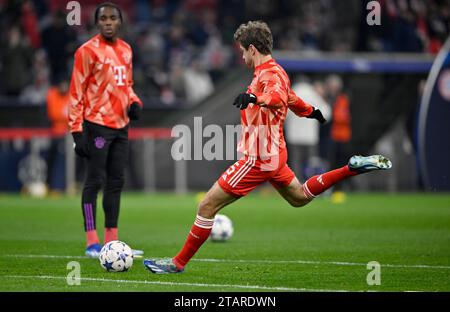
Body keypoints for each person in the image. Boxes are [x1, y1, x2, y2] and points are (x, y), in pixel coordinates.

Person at [144, 21, 392, 274]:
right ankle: (352, 168)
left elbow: (275, 98)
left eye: (242, 51)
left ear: (252, 49)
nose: (242, 56)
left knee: (206, 206)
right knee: (300, 197)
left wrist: (254, 98)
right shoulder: (278, 72)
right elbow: (291, 99)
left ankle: (177, 263)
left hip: (259, 158)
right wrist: (312, 112)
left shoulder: (269, 74)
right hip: (274, 154)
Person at [68, 2, 143, 258]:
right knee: (94, 181)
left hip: (121, 127)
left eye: (113, 18)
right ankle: (92, 241)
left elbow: (128, 84)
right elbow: (76, 93)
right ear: (97, 22)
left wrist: (134, 102)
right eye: (104, 18)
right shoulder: (86, 51)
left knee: (116, 182)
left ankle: (112, 242)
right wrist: (77, 133)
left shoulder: (126, 50)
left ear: (120, 21)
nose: (108, 22)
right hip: (97, 127)